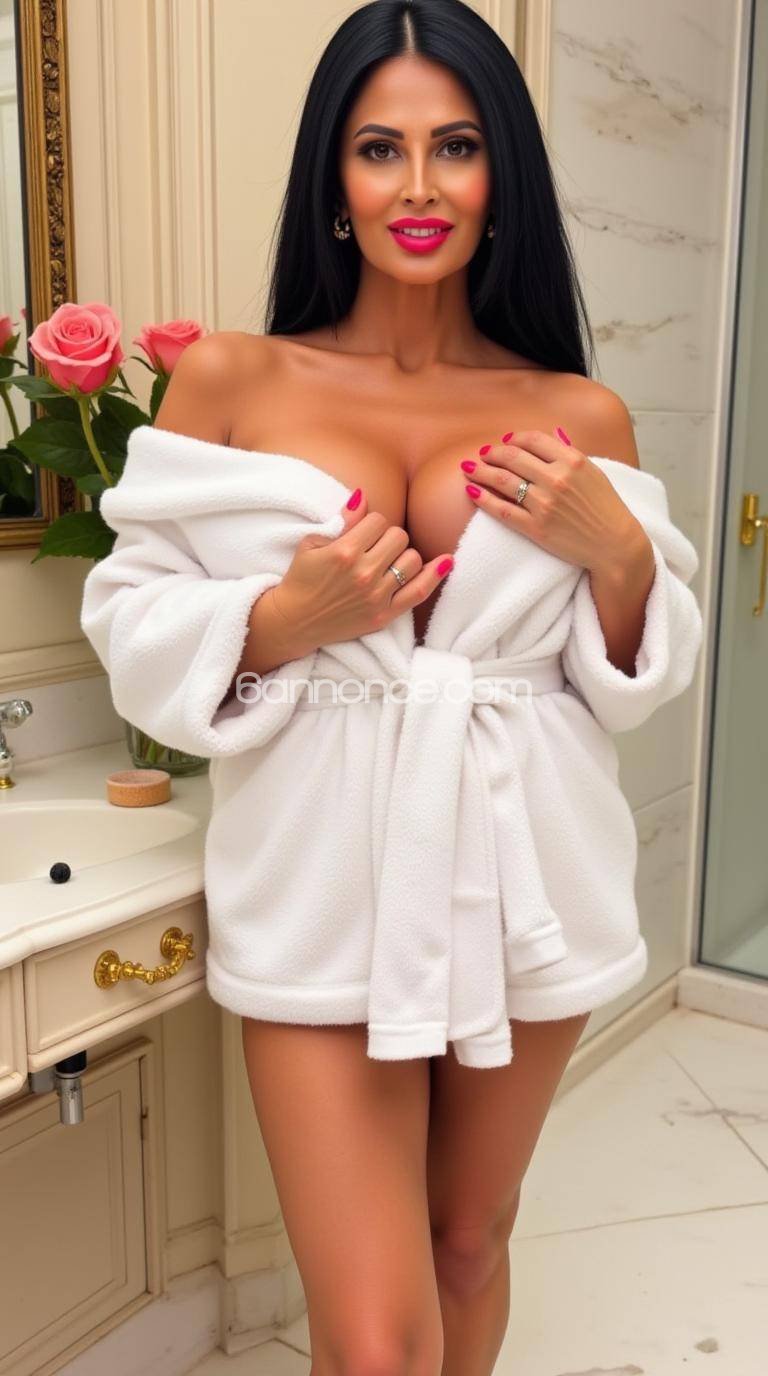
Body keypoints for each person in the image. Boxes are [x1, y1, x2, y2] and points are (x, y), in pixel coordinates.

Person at [84, 3, 702, 1373]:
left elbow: (624, 676)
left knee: (470, 1241)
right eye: (380, 148)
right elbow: (129, 617)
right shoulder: (233, 379)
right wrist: (284, 617)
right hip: (321, 869)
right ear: (334, 176)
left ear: (501, 175)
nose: (419, 186)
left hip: (527, 856)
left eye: (456, 146)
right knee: (371, 1341)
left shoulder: (579, 410)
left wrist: (618, 556)